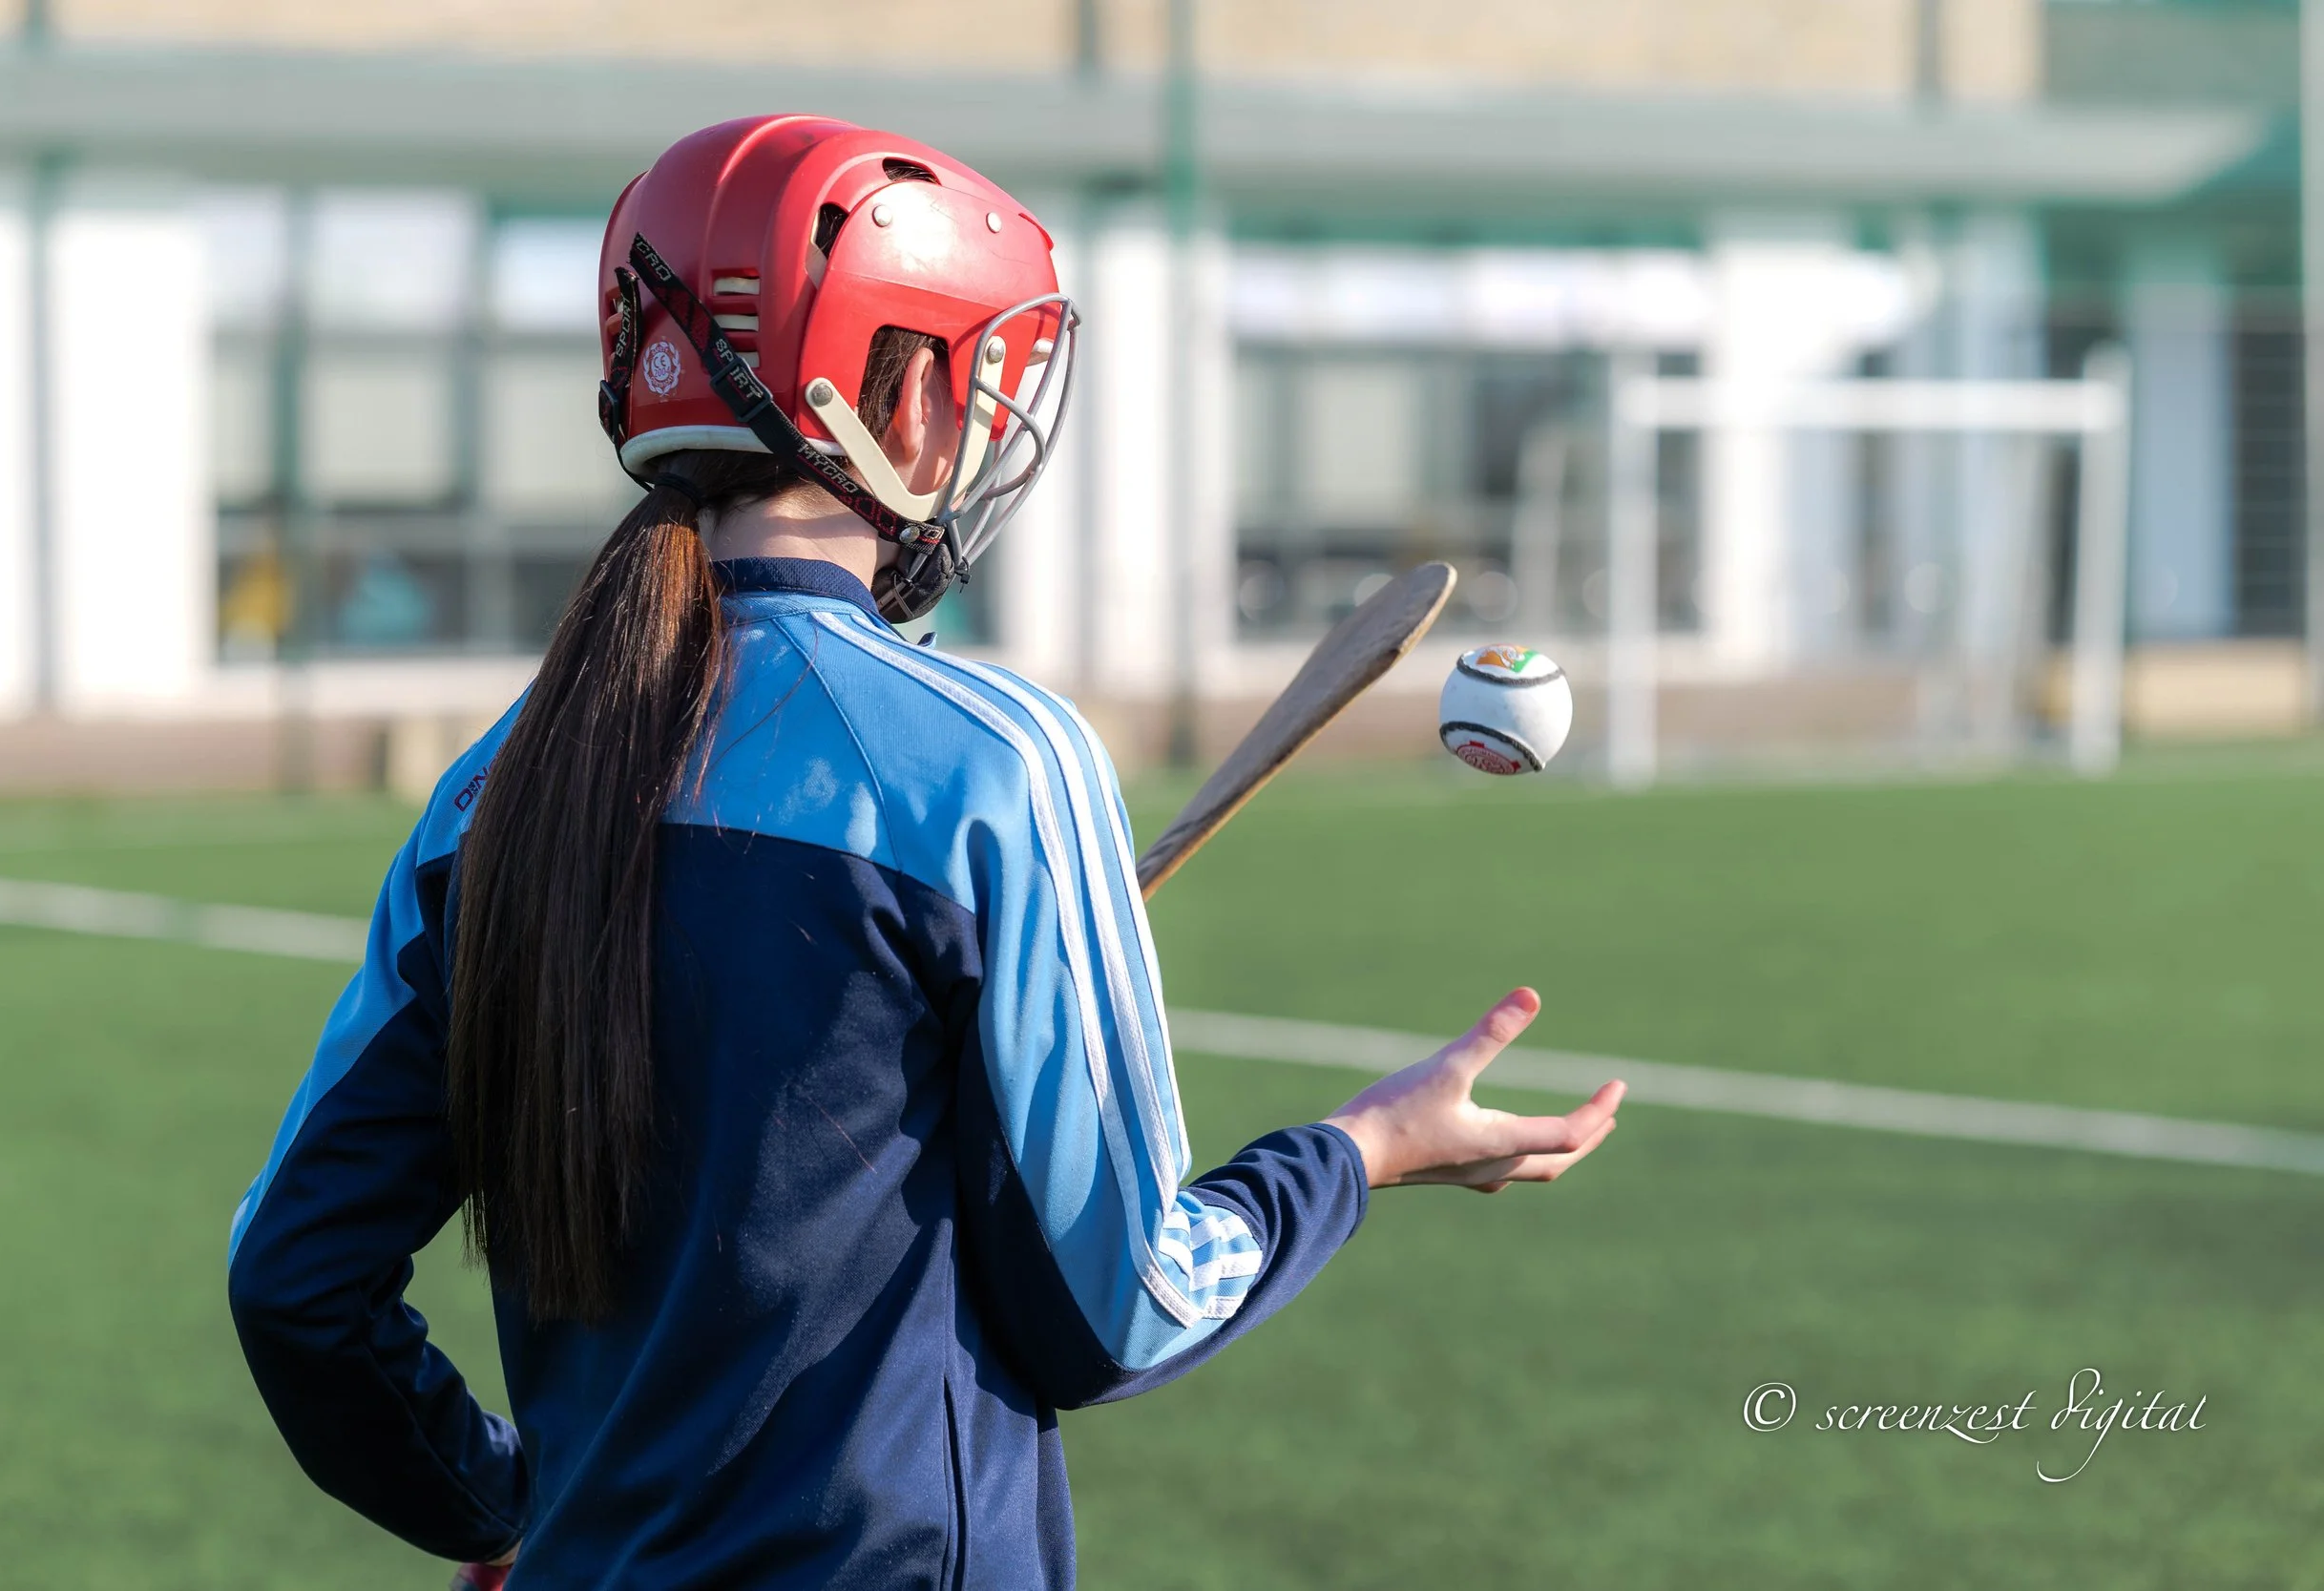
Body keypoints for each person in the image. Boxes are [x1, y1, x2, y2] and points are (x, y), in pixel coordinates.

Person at [225, 115, 1625, 1591]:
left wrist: (508, 1501)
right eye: (970, 377)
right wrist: (1355, 1153)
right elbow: (1121, 1306)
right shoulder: (995, 764)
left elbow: (297, 1281)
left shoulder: (488, 790)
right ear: (898, 403)